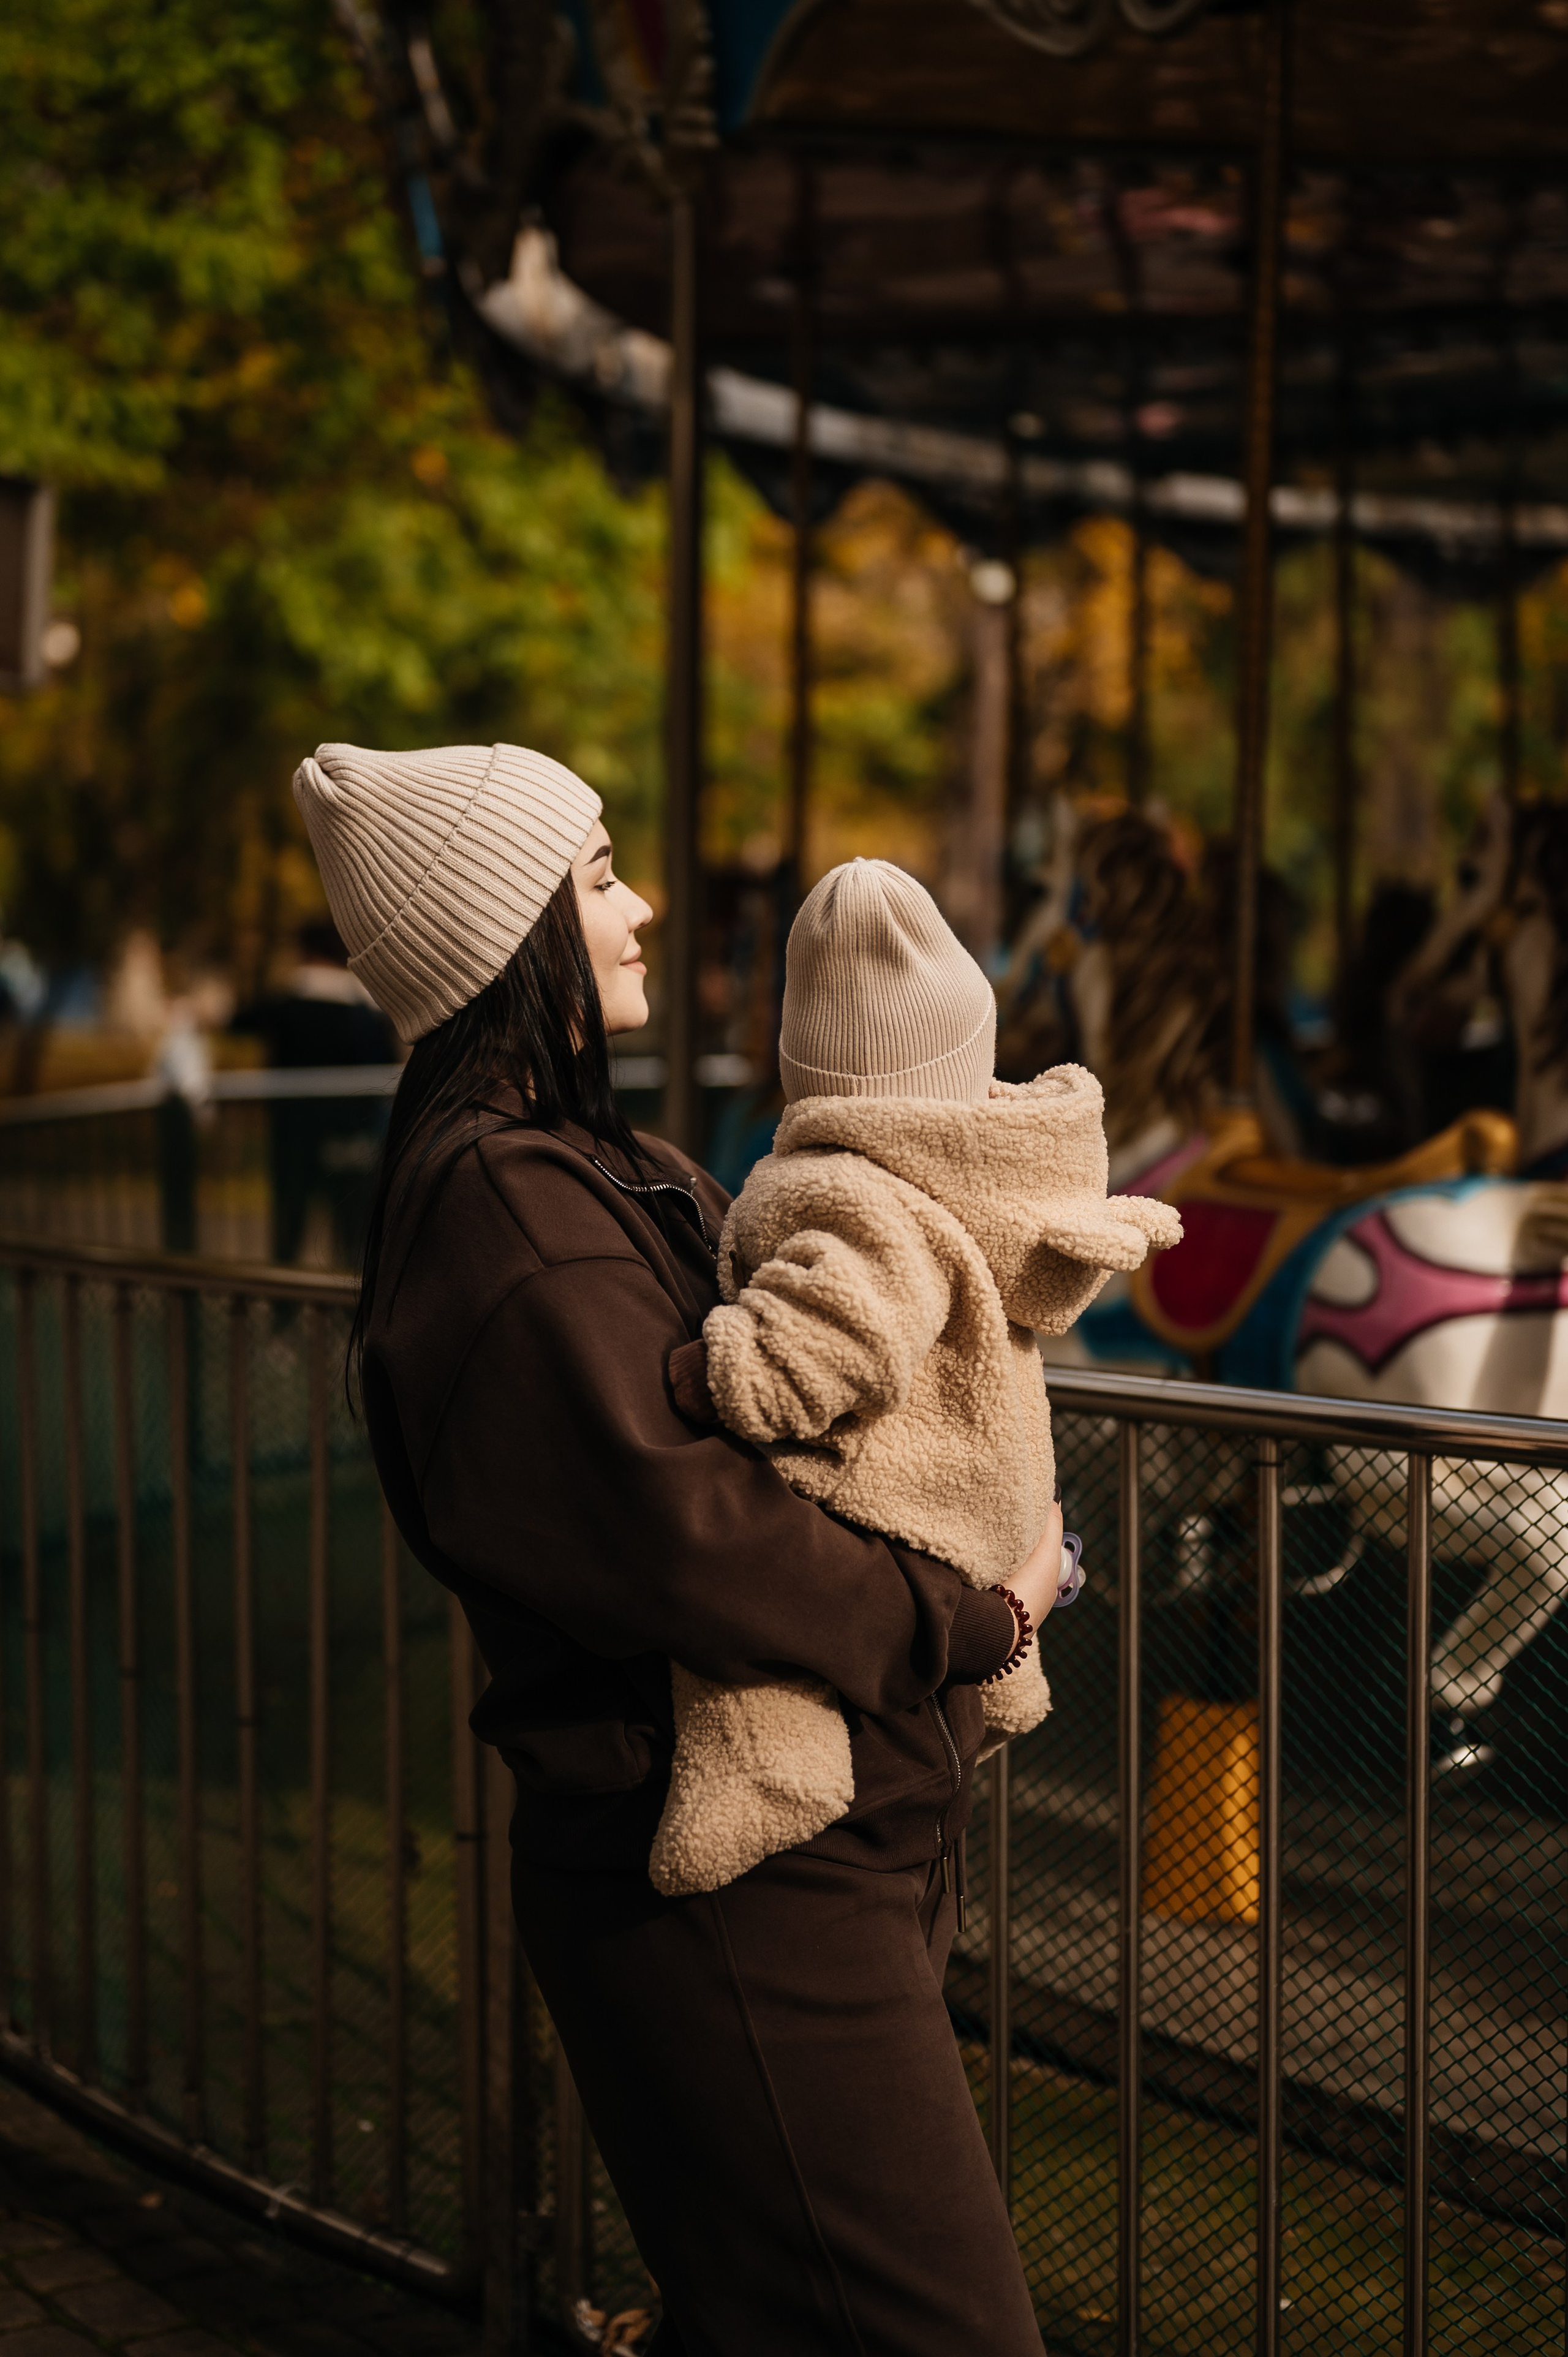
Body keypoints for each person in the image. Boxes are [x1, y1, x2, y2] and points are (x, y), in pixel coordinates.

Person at [292, 737, 1063, 2356]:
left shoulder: (588, 1171)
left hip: (814, 1850)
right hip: (726, 1884)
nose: (638, 907)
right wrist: (965, 1621)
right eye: (595, 878)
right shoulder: (507, 1210)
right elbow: (689, 1532)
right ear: (506, 936)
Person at [654, 858, 1178, 1900]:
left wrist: (714, 1369)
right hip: (989, 1514)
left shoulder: (853, 1196)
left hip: (900, 1512)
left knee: (744, 1648)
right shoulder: (960, 1185)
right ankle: (1008, 1684)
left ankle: (767, 1769)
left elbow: (821, 1352)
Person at [230, 919, 398, 1266]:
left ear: (306, 953)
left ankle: (285, 1312)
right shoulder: (367, 1015)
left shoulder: (285, 1008)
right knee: (352, 1242)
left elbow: (238, 1022)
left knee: (289, 1234)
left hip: (293, 1140)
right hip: (353, 1140)